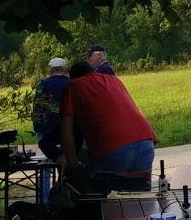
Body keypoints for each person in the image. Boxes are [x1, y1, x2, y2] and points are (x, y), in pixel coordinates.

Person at [59, 61, 156, 194]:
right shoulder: (114, 80)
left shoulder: (73, 86)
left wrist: (72, 164)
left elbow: (66, 129)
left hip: (113, 146)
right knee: (138, 197)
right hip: (145, 141)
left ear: (73, 78)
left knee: (91, 194)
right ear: (93, 71)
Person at [31, 57, 70, 201]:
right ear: (65, 69)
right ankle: (65, 196)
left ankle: (44, 199)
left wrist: (38, 128)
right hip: (69, 130)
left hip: (47, 130)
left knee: (46, 166)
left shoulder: (43, 84)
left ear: (51, 69)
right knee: (68, 164)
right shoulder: (72, 83)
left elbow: (37, 109)